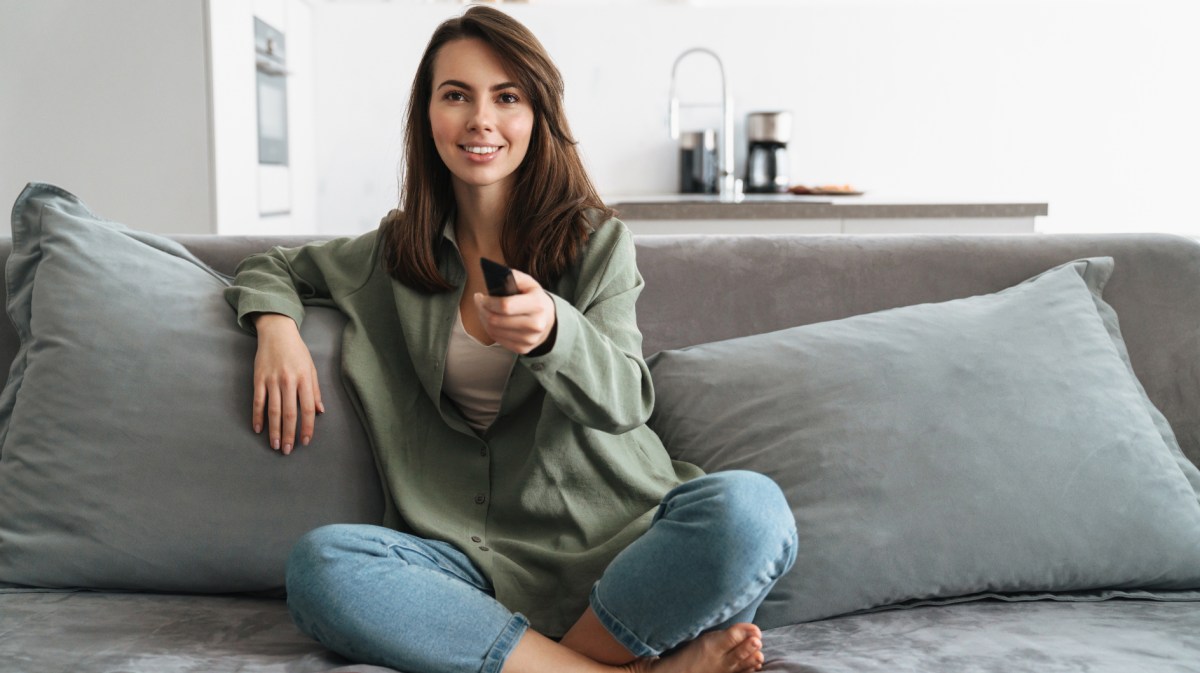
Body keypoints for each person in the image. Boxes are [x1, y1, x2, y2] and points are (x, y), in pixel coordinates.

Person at [225, 7, 797, 673]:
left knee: (751, 510)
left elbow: (625, 401)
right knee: (323, 565)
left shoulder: (598, 243)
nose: (480, 121)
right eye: (456, 95)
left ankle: (550, 661)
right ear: (427, 115)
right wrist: (274, 327)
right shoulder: (391, 254)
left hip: (624, 546)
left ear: (537, 115)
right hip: (471, 570)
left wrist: (556, 331)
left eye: (507, 97)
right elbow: (272, 266)